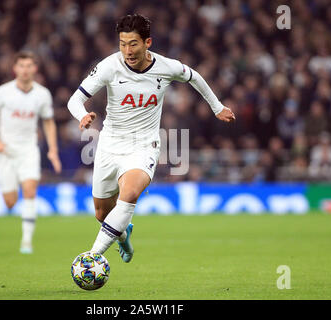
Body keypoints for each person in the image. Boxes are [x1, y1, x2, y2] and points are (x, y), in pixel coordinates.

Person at [67, 14, 235, 263]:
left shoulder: (166, 67)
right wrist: (82, 116)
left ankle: (91, 259)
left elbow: (194, 77)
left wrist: (217, 107)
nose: (127, 51)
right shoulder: (109, 66)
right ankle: (124, 236)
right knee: (102, 214)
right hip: (110, 145)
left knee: (131, 193)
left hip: (144, 145)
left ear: (148, 42)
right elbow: (74, 100)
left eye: (133, 44)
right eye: (122, 44)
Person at [0, 51, 61, 254]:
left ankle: (26, 242)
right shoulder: (3, 92)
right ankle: (13, 199)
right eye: (21, 66)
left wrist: (52, 150)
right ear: (14, 69)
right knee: (10, 201)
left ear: (35, 69)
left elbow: (48, 122)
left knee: (30, 190)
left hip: (28, 149)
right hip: (5, 151)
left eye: (29, 66)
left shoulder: (42, 94)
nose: (25, 70)